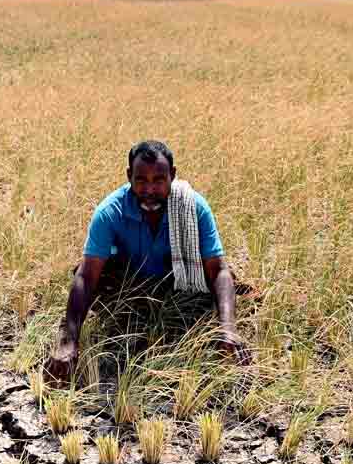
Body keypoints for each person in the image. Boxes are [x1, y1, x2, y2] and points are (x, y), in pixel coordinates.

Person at [44, 140, 250, 383]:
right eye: (141, 180)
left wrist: (228, 328)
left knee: (224, 280)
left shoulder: (193, 207)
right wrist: (68, 341)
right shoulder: (110, 212)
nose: (150, 189)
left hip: (179, 289)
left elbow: (218, 271)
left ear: (172, 175)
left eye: (159, 180)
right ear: (129, 176)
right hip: (130, 291)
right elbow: (86, 277)